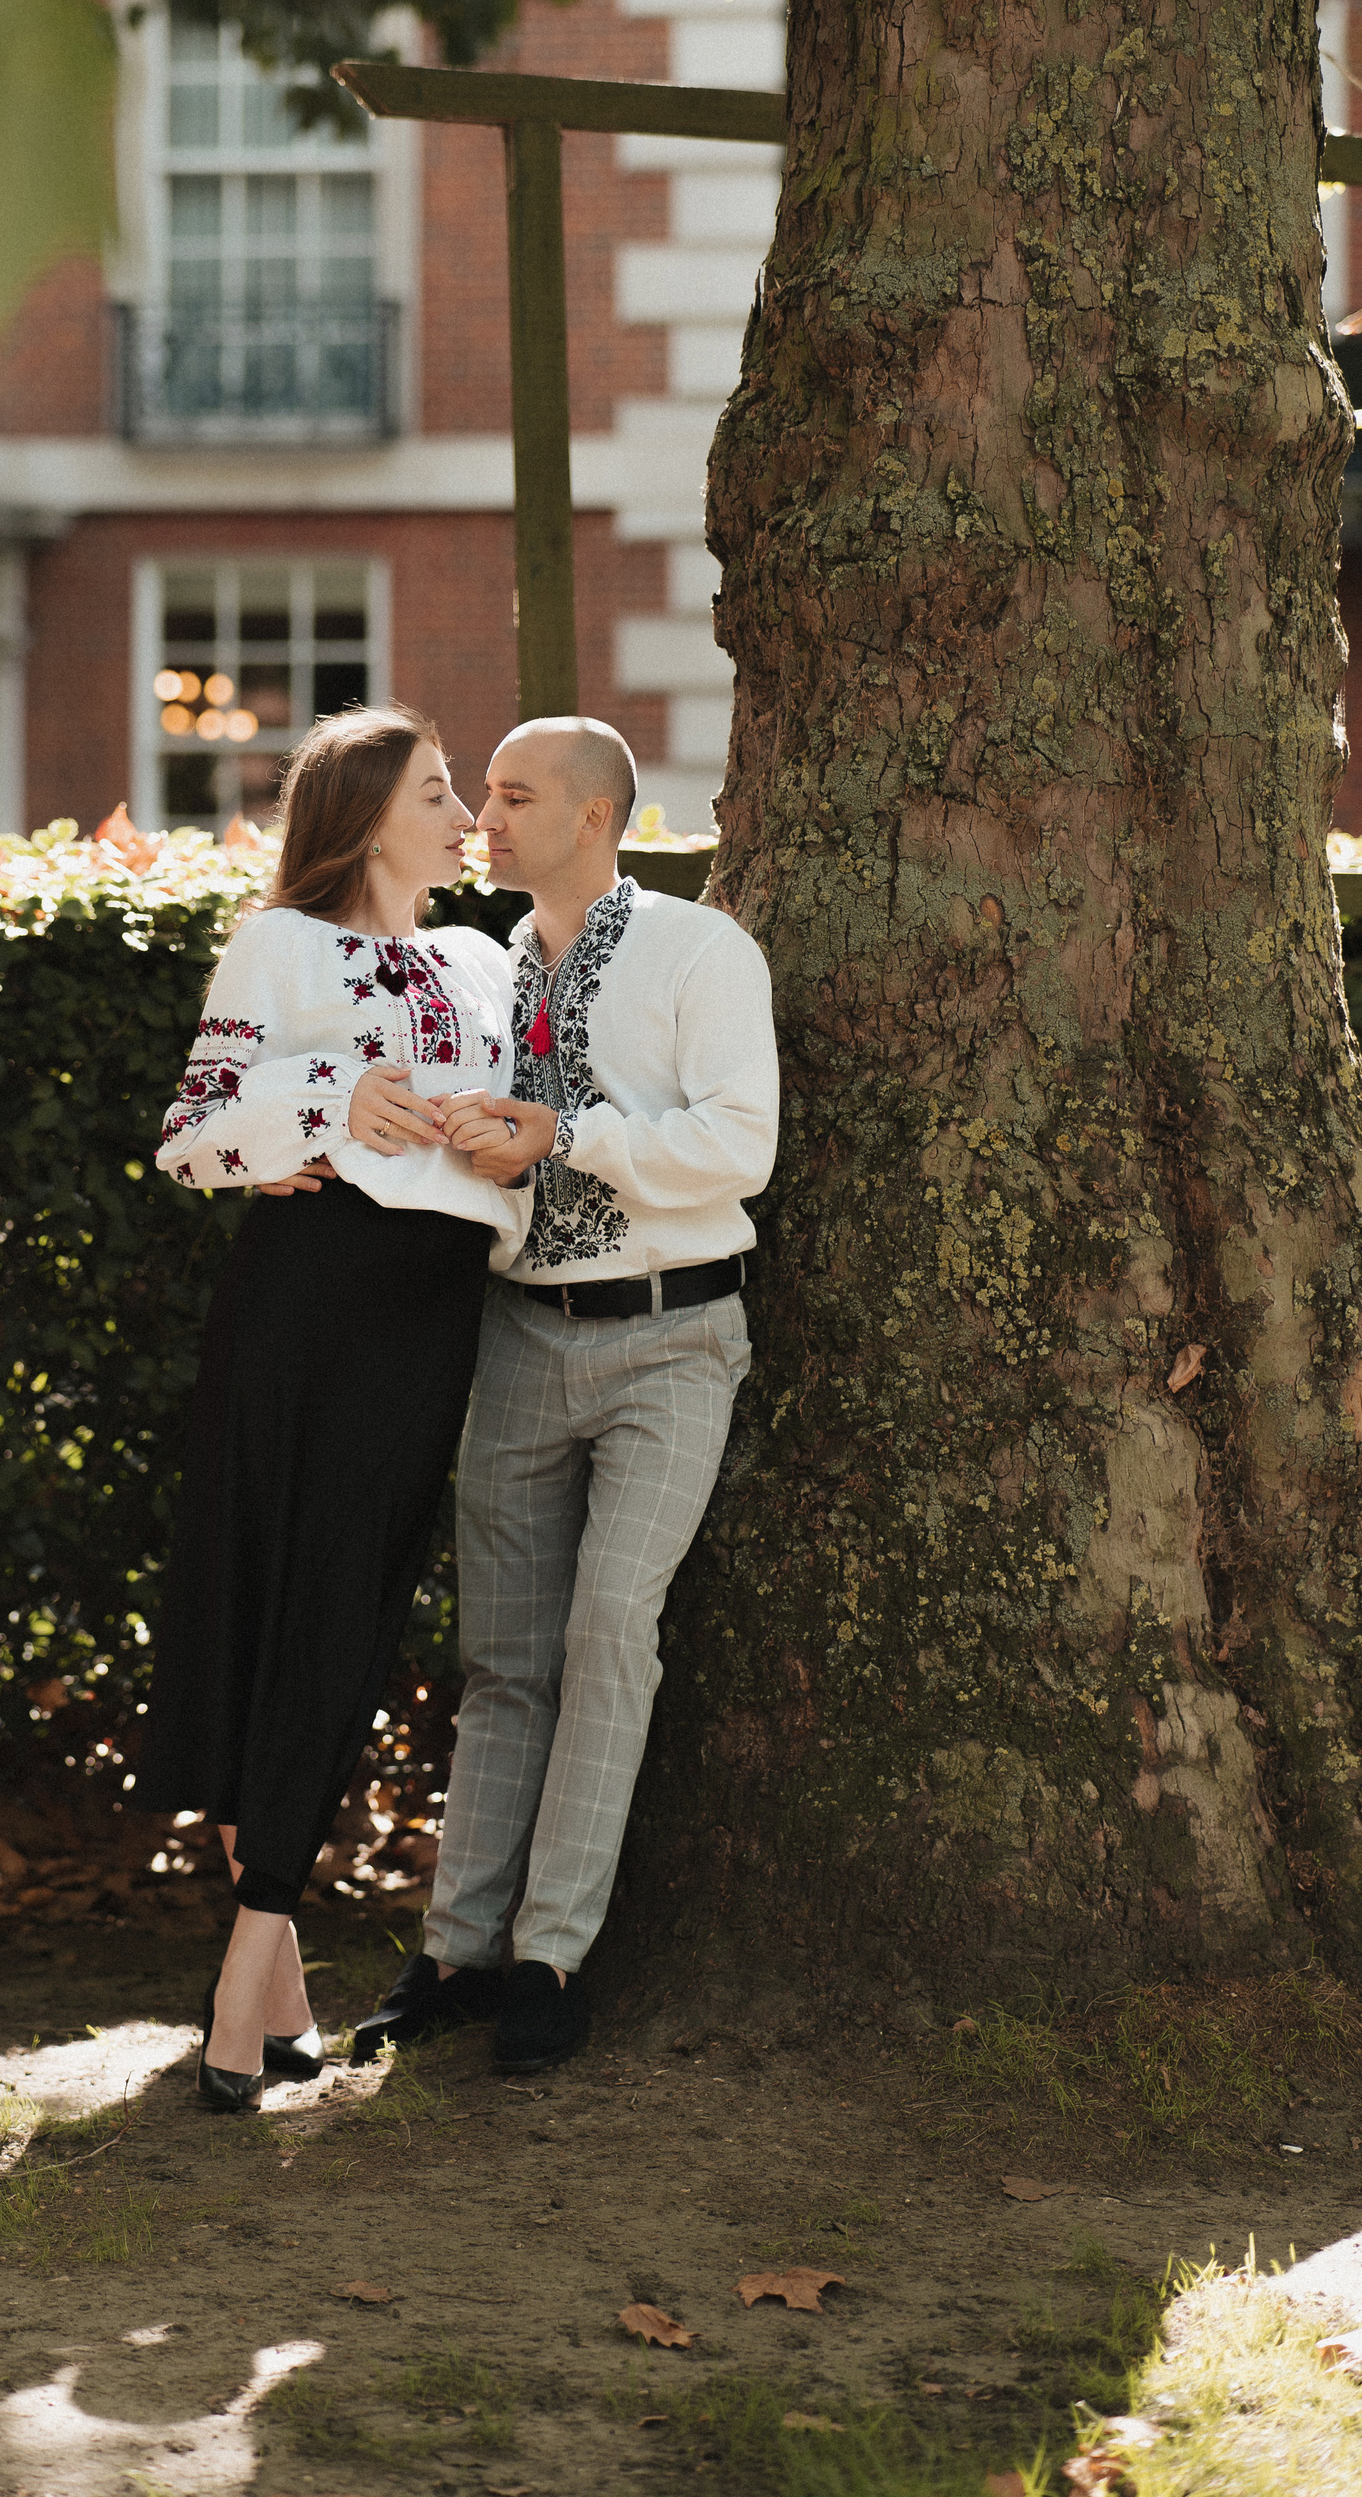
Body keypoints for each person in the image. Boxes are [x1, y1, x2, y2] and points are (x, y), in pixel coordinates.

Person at [352, 715, 779, 2074]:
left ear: (594, 815)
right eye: (482, 794)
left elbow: (743, 1147)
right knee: (504, 1659)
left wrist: (569, 1134)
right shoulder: (481, 969)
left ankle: (552, 1959)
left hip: (673, 1338)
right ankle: (452, 1955)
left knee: (607, 1634)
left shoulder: (700, 951)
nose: (483, 817)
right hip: (521, 1335)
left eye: (514, 795)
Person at [135, 704, 523, 2111]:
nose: (464, 819)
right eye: (437, 793)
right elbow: (192, 1138)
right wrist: (327, 1102)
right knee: (263, 1594)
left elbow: (521, 1130)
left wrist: (501, 1140)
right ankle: (262, 1968)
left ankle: (259, 1963)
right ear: (361, 818)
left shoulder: (485, 961)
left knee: (348, 1600)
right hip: (304, 1293)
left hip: (431, 1309)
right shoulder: (279, 945)